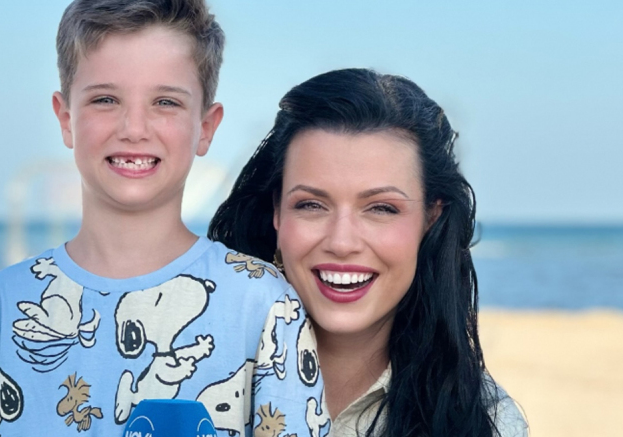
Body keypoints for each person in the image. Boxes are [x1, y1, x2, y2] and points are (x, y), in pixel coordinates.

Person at [0, 0, 328, 437]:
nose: (134, 128)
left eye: (166, 102)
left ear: (206, 127)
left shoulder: (264, 304)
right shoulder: (0, 305)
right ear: (65, 118)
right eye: (105, 100)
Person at [210, 68, 528, 436]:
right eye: (311, 204)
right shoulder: (182, 374)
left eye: (381, 208)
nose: (342, 242)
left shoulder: (488, 422)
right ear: (277, 212)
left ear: (430, 218)